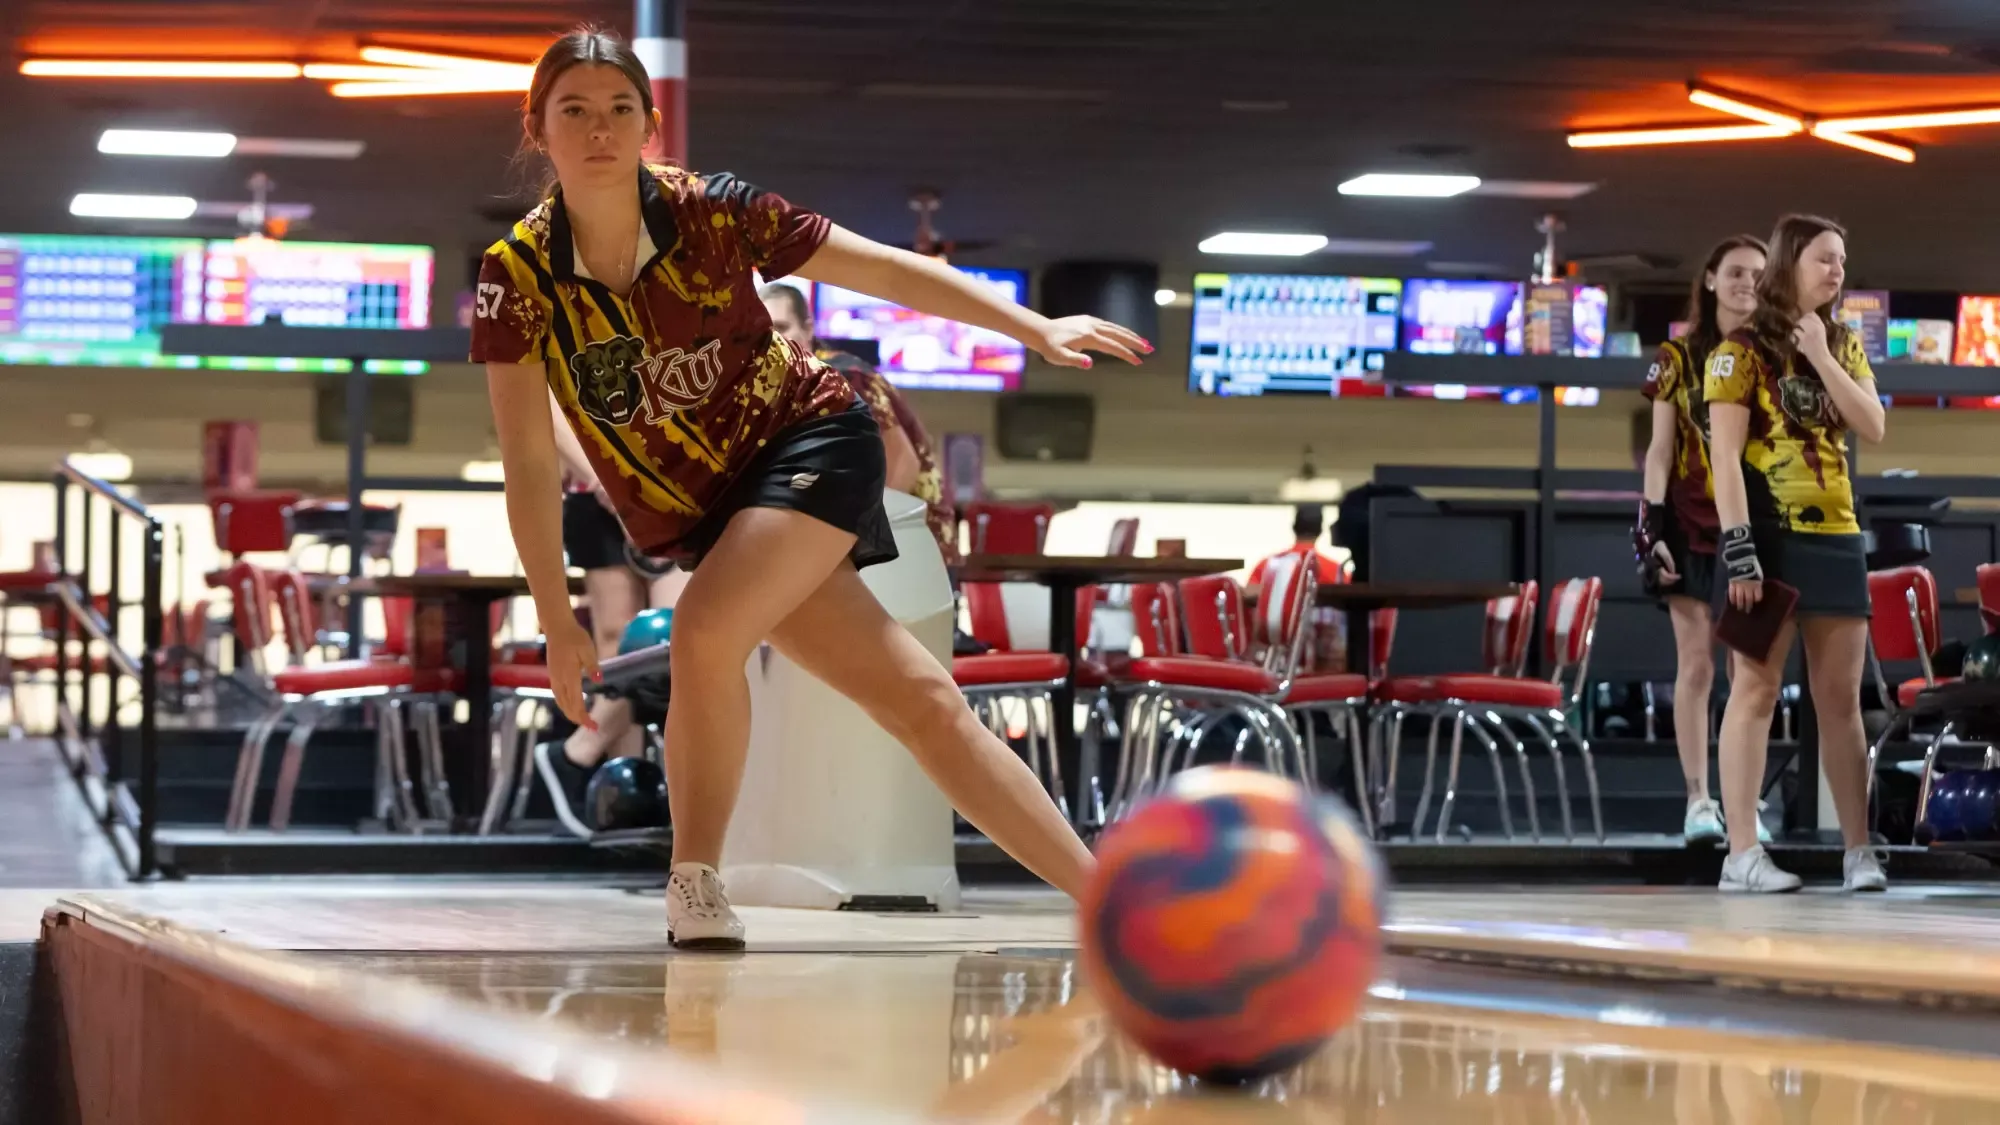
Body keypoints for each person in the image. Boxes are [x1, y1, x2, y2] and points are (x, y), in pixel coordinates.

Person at [474, 27, 1145, 947]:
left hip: (811, 440)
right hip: (706, 511)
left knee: (704, 628)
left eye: (620, 109)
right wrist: (558, 618)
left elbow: (881, 266)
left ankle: (693, 882)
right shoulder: (516, 276)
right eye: (576, 111)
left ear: (650, 123)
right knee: (923, 702)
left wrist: (1030, 325)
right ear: (538, 128)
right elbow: (527, 460)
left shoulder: (716, 210)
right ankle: (1109, 897)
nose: (600, 129)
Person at [1704, 214, 1887, 894]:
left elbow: (1873, 424)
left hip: (1836, 534)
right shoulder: (1740, 350)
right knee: (1754, 690)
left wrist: (1823, 357)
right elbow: (1725, 457)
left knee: (1839, 699)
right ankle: (1742, 853)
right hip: (1767, 536)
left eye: (1842, 259)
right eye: (1824, 259)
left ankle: (1858, 851)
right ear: (1790, 264)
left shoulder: (1842, 343)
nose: (1837, 270)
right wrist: (1739, 549)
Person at [1635, 235, 1768, 846]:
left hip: (1756, 530)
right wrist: (1651, 527)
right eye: (1735, 272)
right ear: (1711, 279)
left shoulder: (1773, 353)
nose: (1747, 283)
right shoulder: (1678, 357)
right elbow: (1660, 451)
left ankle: (1742, 804)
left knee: (1750, 672)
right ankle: (1698, 801)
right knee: (1695, 665)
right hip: (1690, 525)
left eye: (1758, 274)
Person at [535, 392, 689, 837]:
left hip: (675, 483)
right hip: (595, 488)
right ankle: (624, 799)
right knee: (617, 643)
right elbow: (547, 405)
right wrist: (606, 479)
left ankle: (579, 753)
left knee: (671, 641)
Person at [758, 282, 958, 562]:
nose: (774, 341)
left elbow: (902, 464)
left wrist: (850, 543)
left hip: (915, 544)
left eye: (782, 328)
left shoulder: (843, 377)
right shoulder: (785, 387)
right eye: (764, 332)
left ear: (808, 329)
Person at [1248, 504, 1346, 588]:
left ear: (1294, 528)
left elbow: (1248, 595)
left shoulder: (1268, 565)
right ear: (1320, 532)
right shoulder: (1336, 570)